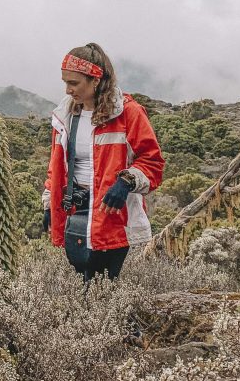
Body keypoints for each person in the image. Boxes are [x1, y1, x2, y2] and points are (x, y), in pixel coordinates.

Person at [43, 43, 164, 282]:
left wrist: (126, 182)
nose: (68, 90)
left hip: (111, 214)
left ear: (95, 80)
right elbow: (55, 165)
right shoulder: (65, 115)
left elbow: (153, 162)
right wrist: (49, 202)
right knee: (80, 281)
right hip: (75, 210)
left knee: (102, 284)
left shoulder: (128, 113)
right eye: (65, 82)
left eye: (74, 83)